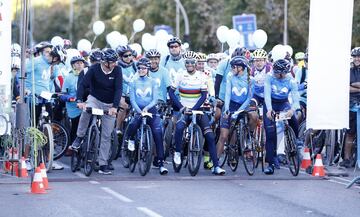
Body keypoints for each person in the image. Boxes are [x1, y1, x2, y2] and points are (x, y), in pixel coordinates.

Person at [169, 51, 225, 175]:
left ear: (195, 64)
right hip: (185, 109)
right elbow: (171, 93)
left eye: (192, 62)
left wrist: (194, 108)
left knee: (210, 136)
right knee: (179, 128)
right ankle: (178, 152)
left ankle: (216, 166)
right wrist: (182, 108)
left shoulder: (202, 76)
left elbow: (204, 95)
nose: (189, 64)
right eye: (187, 62)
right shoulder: (180, 75)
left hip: (198, 109)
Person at [71, 48, 122, 175]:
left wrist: (114, 107)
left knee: (106, 135)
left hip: (109, 103)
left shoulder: (117, 70)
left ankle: (103, 163)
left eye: (115, 62)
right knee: (86, 110)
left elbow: (118, 89)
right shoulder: (94, 69)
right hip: (95, 99)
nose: (114, 64)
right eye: (112, 62)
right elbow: (82, 85)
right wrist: (80, 101)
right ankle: (79, 137)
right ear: (105, 62)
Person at [126, 58, 168, 175]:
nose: (141, 70)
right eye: (139, 68)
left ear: (148, 69)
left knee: (158, 133)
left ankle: (161, 163)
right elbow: (133, 100)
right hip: (138, 109)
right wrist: (139, 111)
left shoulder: (153, 81)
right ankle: (130, 139)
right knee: (134, 124)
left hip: (151, 109)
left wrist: (147, 108)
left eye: (144, 68)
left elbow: (155, 99)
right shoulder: (133, 82)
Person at [263, 59, 300, 175]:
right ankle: (270, 164)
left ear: (286, 72)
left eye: (280, 73)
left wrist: (292, 110)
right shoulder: (269, 77)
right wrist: (269, 109)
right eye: (276, 72)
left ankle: (294, 142)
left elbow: (295, 99)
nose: (278, 75)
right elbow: (267, 94)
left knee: (293, 118)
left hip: (283, 103)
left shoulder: (291, 81)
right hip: (271, 104)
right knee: (270, 133)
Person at [216, 56, 255, 158]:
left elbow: (248, 99)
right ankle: (215, 162)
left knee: (254, 115)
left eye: (234, 67)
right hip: (231, 104)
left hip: (244, 106)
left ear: (241, 68)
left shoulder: (250, 79)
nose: (231, 69)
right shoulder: (230, 76)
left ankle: (249, 136)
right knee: (223, 136)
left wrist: (238, 111)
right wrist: (227, 109)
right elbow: (228, 94)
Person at [25, 45, 66, 125]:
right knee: (34, 121)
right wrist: (25, 89)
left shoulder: (50, 65)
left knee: (51, 117)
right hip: (33, 96)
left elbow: (48, 81)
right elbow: (22, 72)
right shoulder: (37, 61)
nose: (57, 64)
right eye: (58, 62)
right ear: (55, 58)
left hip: (45, 95)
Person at [341, 47, 360, 168]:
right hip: (352, 103)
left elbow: (351, 86)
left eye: (359, 56)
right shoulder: (348, 71)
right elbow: (345, 87)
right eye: (355, 56)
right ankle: (347, 158)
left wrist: (353, 85)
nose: (357, 58)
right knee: (351, 132)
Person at [61, 56, 86, 144]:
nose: (80, 65)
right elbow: (63, 95)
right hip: (74, 105)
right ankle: (71, 145)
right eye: (77, 63)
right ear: (73, 65)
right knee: (76, 126)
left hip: (86, 103)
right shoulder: (69, 77)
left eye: (81, 63)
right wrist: (70, 98)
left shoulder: (87, 75)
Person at [115, 45, 137, 134]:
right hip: (121, 93)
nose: (129, 57)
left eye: (130, 55)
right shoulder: (117, 67)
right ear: (120, 57)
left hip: (133, 93)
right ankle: (117, 129)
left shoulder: (135, 65)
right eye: (125, 56)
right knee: (123, 106)